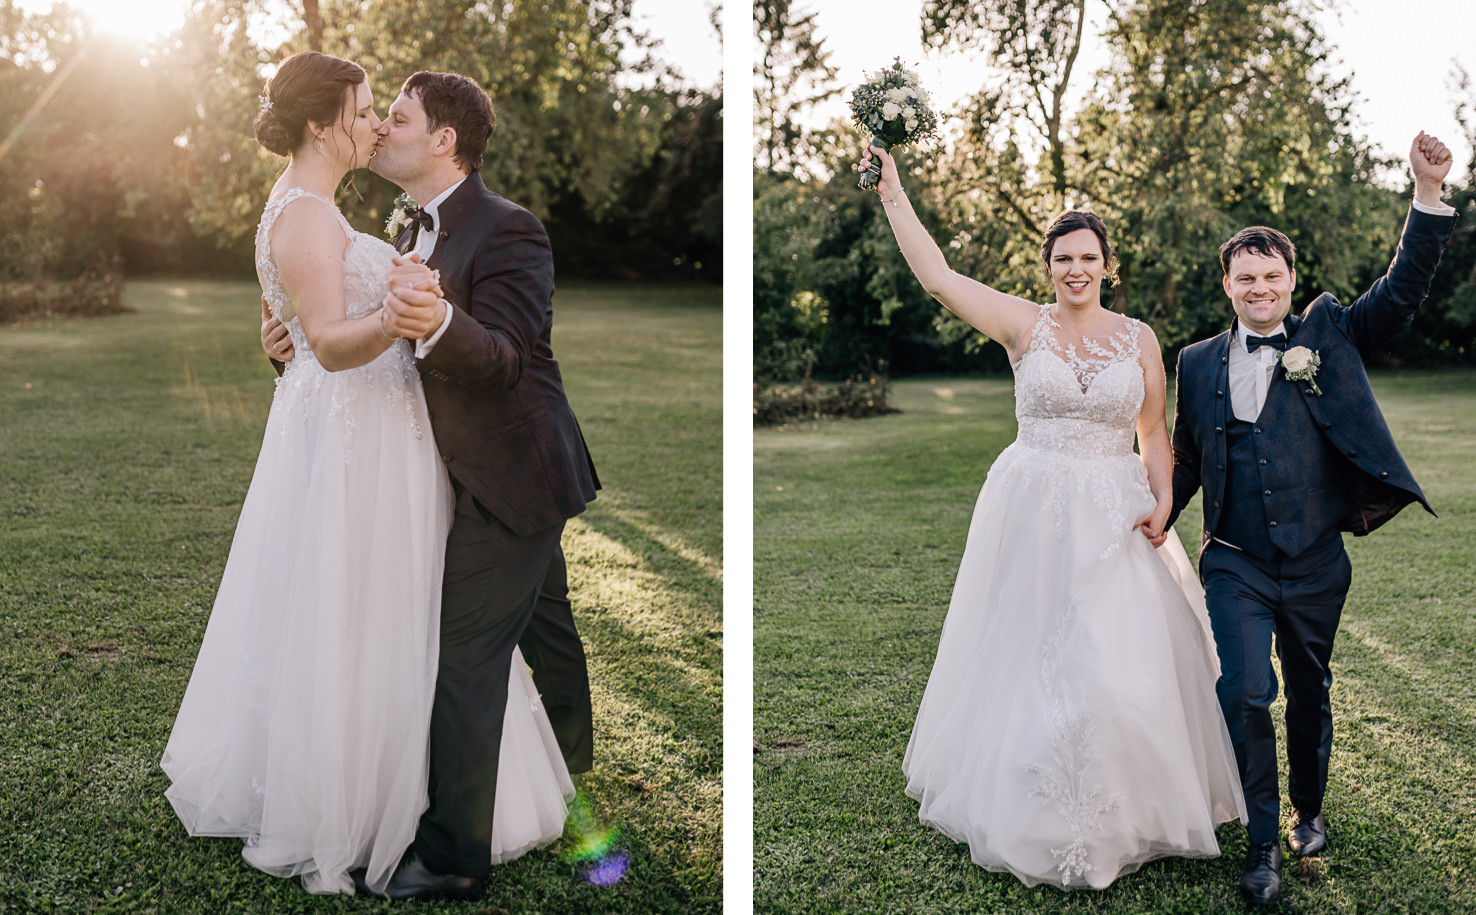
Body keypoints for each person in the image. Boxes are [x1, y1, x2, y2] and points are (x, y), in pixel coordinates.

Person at [160, 51, 574, 897]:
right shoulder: (314, 214)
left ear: (444, 139)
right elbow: (322, 334)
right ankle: (395, 806)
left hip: (477, 456)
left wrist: (353, 328)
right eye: (362, 110)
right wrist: (370, 323)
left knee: (493, 626)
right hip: (371, 444)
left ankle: (542, 771)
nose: (374, 124)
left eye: (391, 114)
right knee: (397, 621)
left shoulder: (491, 225)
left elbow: (500, 353)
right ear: (323, 124)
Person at [860, 144, 1246, 889]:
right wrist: (893, 195)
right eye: (1063, 257)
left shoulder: (1137, 339)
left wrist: (1164, 496)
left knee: (1116, 660)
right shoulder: (1022, 325)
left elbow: (1154, 431)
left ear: (1108, 265)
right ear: (1048, 267)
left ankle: (1130, 809)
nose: (1076, 269)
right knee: (1029, 654)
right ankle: (1028, 805)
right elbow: (938, 279)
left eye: (1088, 257)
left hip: (1115, 513)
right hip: (1032, 508)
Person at [1166, 131, 1457, 905]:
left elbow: (1400, 292)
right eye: (1244, 276)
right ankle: (1263, 841)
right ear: (1226, 284)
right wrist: (1158, 512)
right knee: (1246, 690)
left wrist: (1425, 195)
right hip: (1234, 559)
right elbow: (1188, 456)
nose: (1258, 287)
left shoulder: (1330, 332)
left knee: (1310, 688)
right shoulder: (1195, 363)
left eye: (1270, 274)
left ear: (1291, 280)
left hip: (1317, 560)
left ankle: (1308, 811)